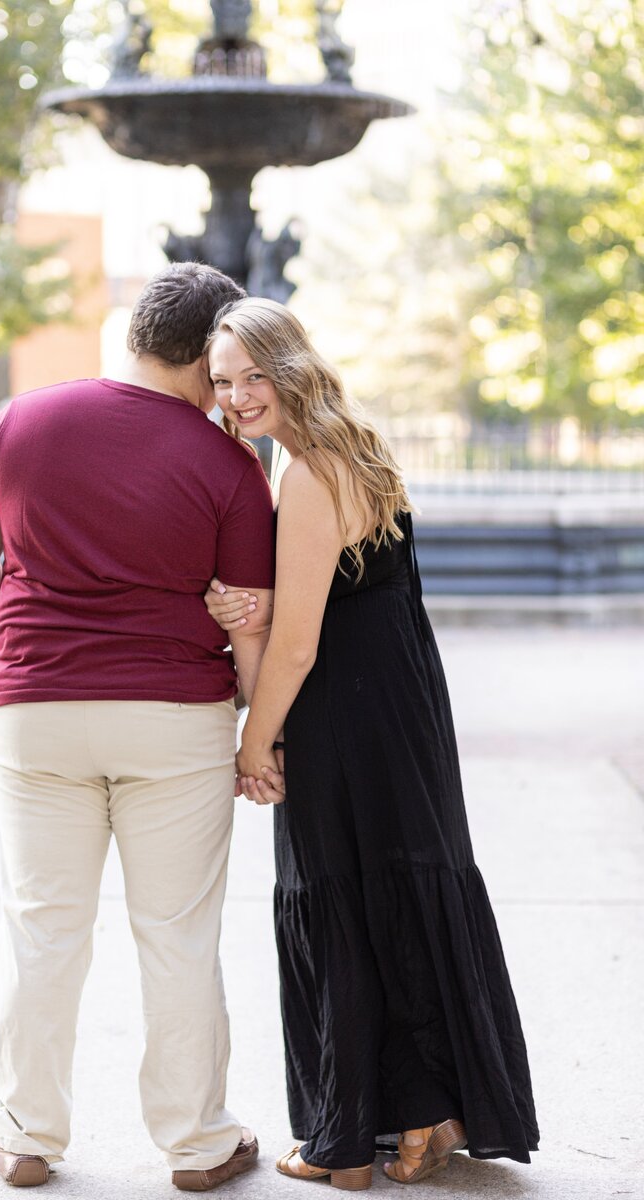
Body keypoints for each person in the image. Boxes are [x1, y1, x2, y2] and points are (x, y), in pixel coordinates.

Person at [0, 263, 277, 1191]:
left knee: (42, 929)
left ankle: (26, 1134)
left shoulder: (19, 421)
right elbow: (248, 617)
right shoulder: (229, 466)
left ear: (134, 332)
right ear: (210, 353)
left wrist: (5, 671)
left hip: (36, 711)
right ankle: (198, 1142)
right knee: (177, 935)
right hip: (175, 718)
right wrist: (258, 737)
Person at [203, 297, 539, 1188]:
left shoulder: (305, 474)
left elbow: (303, 641)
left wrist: (254, 743)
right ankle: (426, 1113)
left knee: (344, 897)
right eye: (222, 383)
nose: (237, 397)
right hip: (403, 705)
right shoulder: (360, 448)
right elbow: (336, 593)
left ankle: (344, 1142)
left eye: (252, 375)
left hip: (341, 714)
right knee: (402, 885)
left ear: (290, 364)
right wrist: (250, 604)